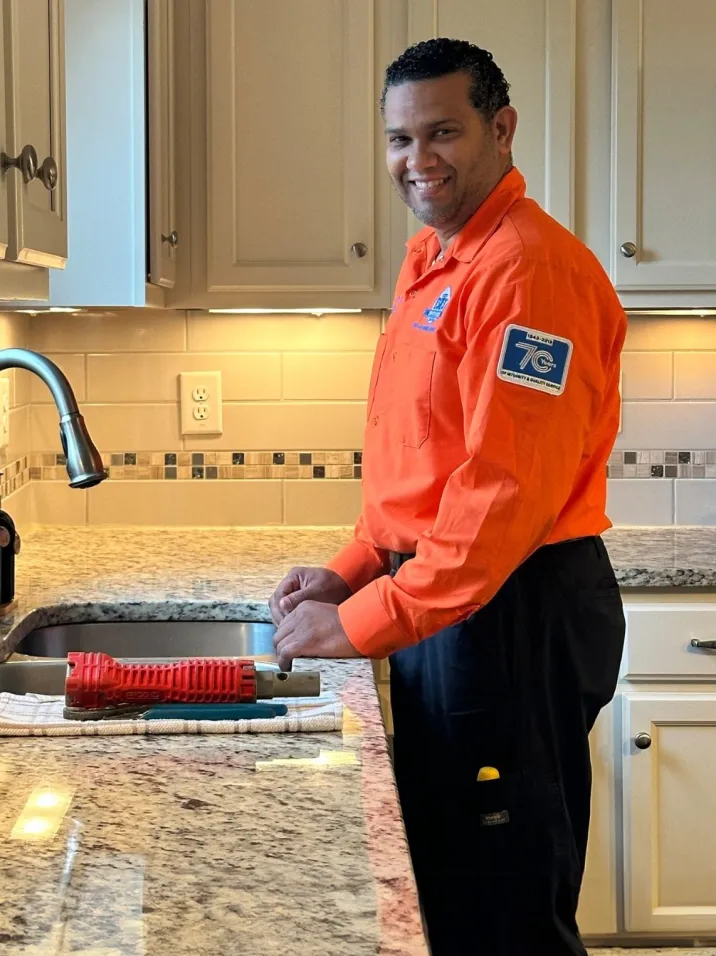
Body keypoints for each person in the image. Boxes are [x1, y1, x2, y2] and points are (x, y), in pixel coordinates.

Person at [269, 37, 626, 956]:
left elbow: (499, 501)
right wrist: (348, 574)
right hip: (451, 608)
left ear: (500, 129)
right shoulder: (435, 260)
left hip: (513, 612)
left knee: (506, 909)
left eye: (442, 132)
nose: (416, 161)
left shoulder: (528, 272)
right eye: (399, 139)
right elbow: (419, 465)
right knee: (449, 891)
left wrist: (361, 620)